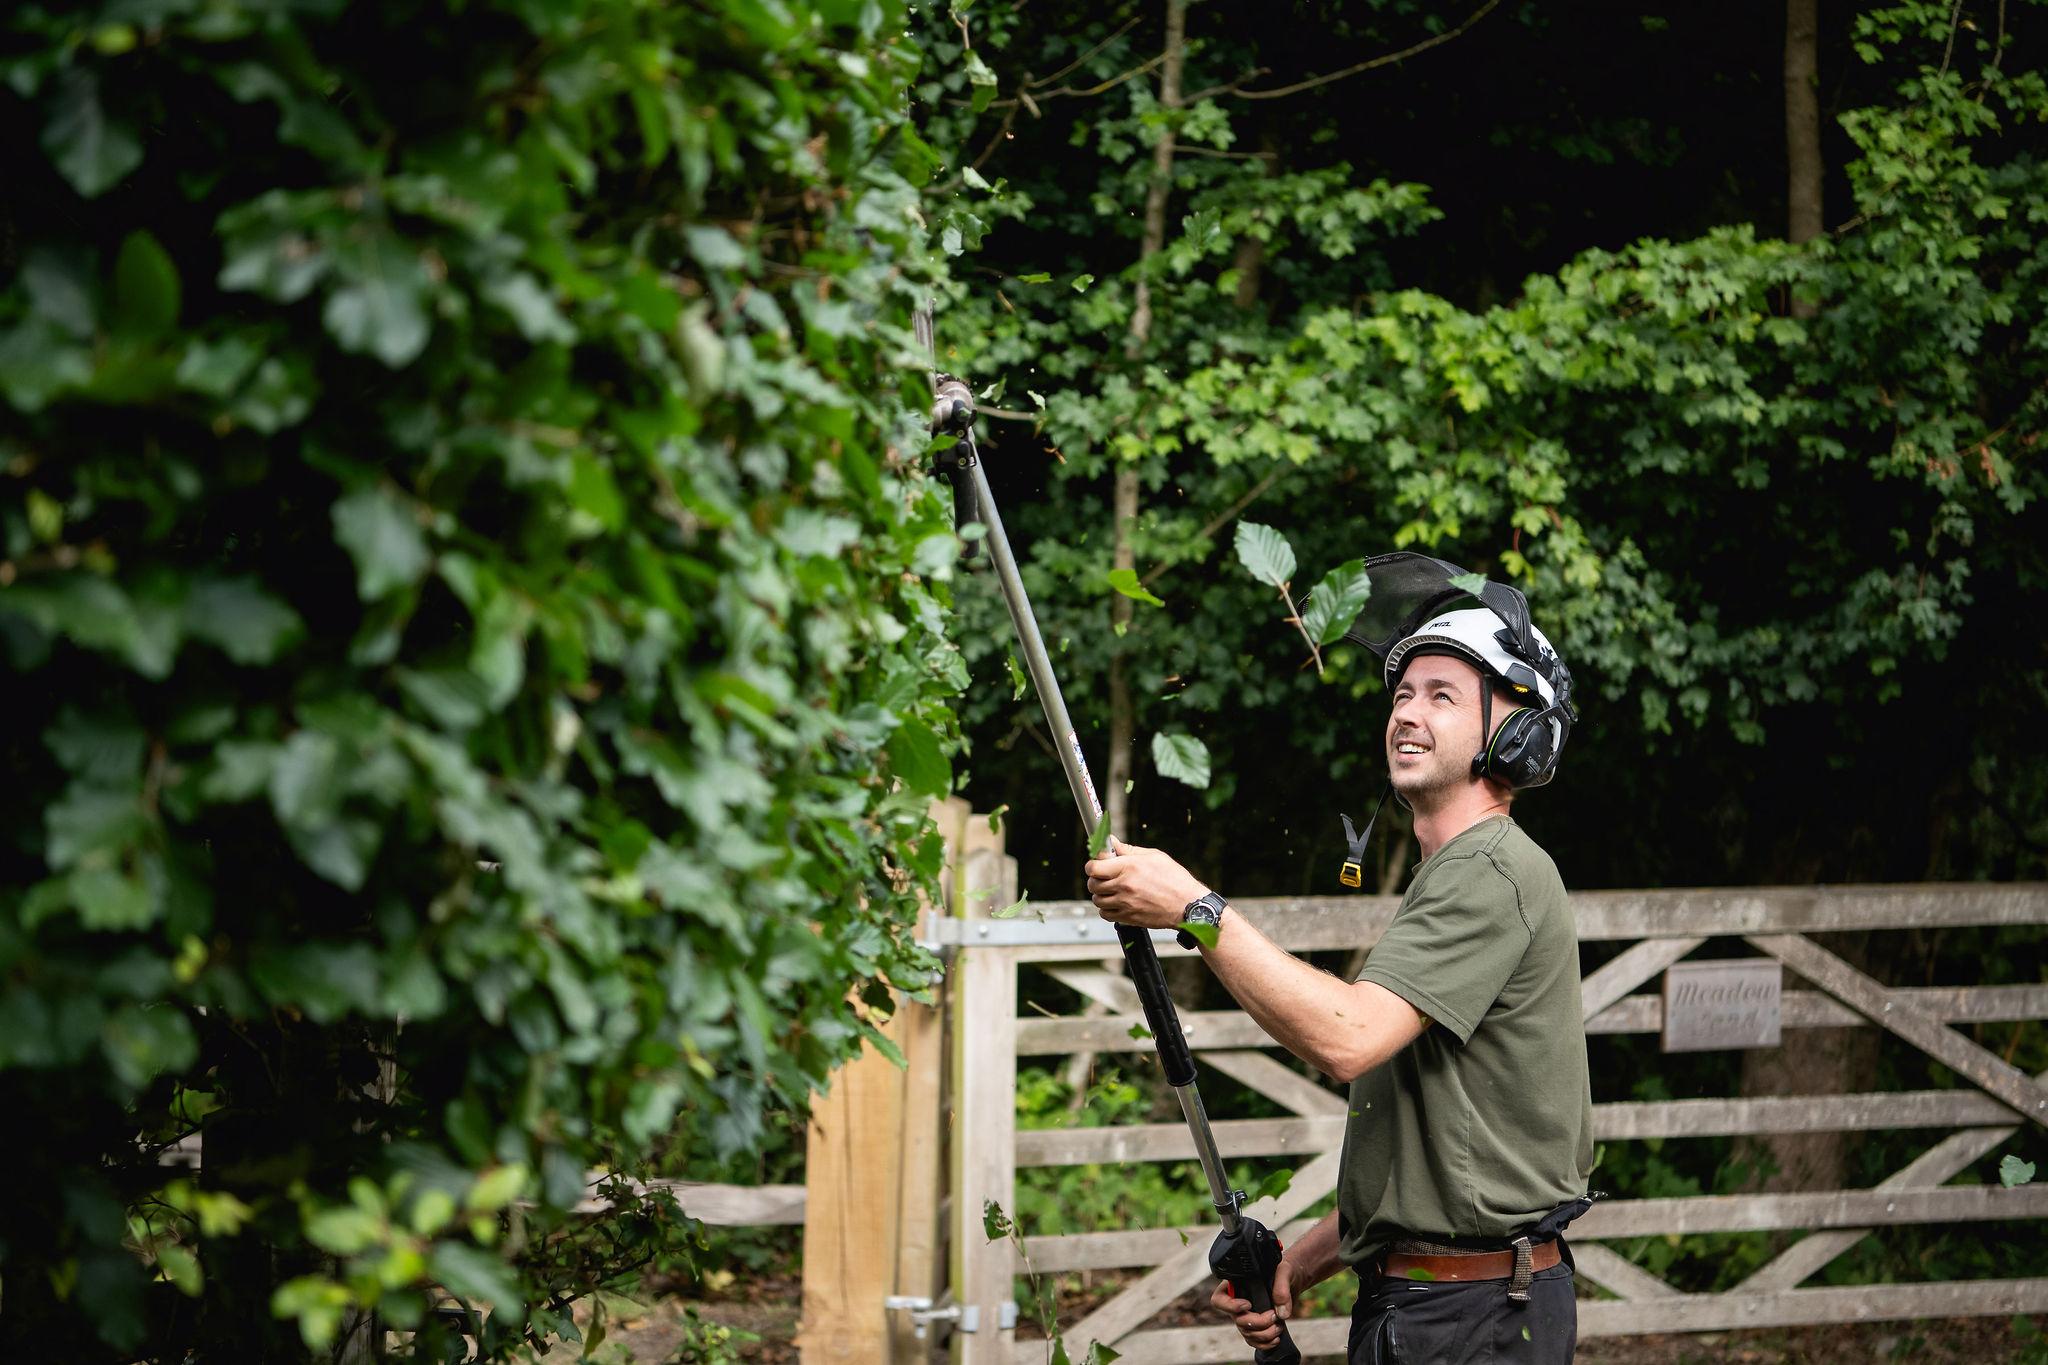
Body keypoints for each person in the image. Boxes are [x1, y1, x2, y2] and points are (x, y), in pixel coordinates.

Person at [1084, 561, 1594, 1364]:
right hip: (1440, 1308)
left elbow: (1346, 1036)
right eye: (1402, 694)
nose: (1407, 712)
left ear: (1517, 732)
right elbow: (1428, 1163)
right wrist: (1301, 1263)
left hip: (1474, 1317)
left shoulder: (1491, 869)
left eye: (1442, 695)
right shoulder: (1455, 876)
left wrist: (1194, 907)